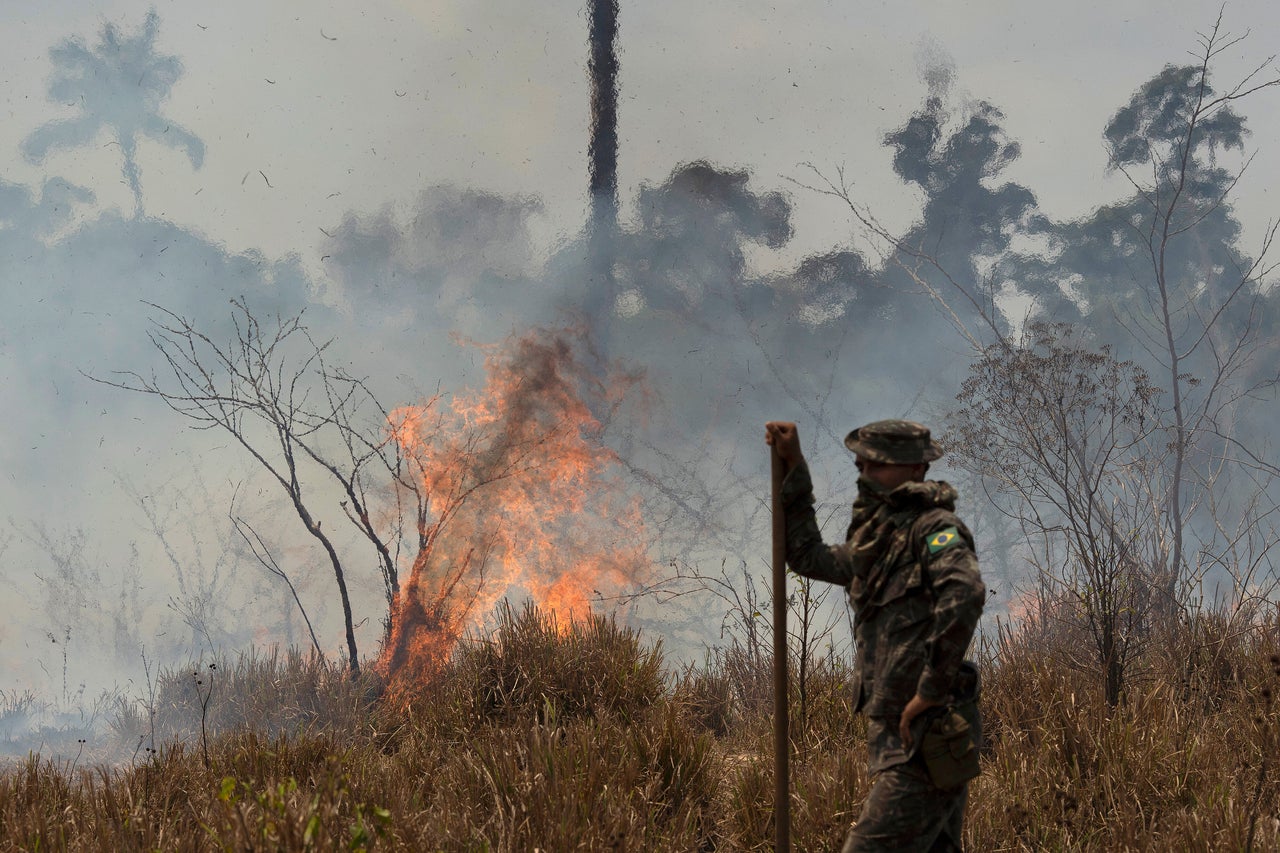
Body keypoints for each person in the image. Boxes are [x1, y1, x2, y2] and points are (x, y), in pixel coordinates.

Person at [765, 418, 985, 852]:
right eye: (862, 465)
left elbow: (964, 593)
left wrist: (930, 690)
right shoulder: (878, 539)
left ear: (916, 468)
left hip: (927, 735)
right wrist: (795, 467)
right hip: (896, 738)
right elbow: (809, 556)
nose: (865, 474)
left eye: (878, 466)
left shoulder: (934, 529)